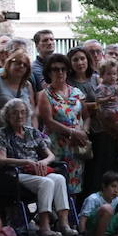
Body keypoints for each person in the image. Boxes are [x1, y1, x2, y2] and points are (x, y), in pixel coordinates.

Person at [0, 99, 77, 236]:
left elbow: (50, 155)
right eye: (15, 113)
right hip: (15, 173)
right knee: (46, 183)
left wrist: (43, 163)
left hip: (36, 171)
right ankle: (44, 227)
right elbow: (1, 159)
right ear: (7, 116)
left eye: (22, 112)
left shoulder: (32, 132)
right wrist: (26, 162)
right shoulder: (2, 133)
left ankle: (64, 224)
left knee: (59, 178)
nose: (19, 116)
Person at [37, 53, 89, 198]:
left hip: (76, 147)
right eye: (55, 69)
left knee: (76, 184)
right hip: (56, 146)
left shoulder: (77, 92)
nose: (60, 72)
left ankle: (73, 218)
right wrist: (73, 132)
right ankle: (58, 218)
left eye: (63, 69)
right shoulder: (45, 94)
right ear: (48, 72)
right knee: (58, 184)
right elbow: (48, 121)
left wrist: (84, 131)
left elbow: (86, 116)